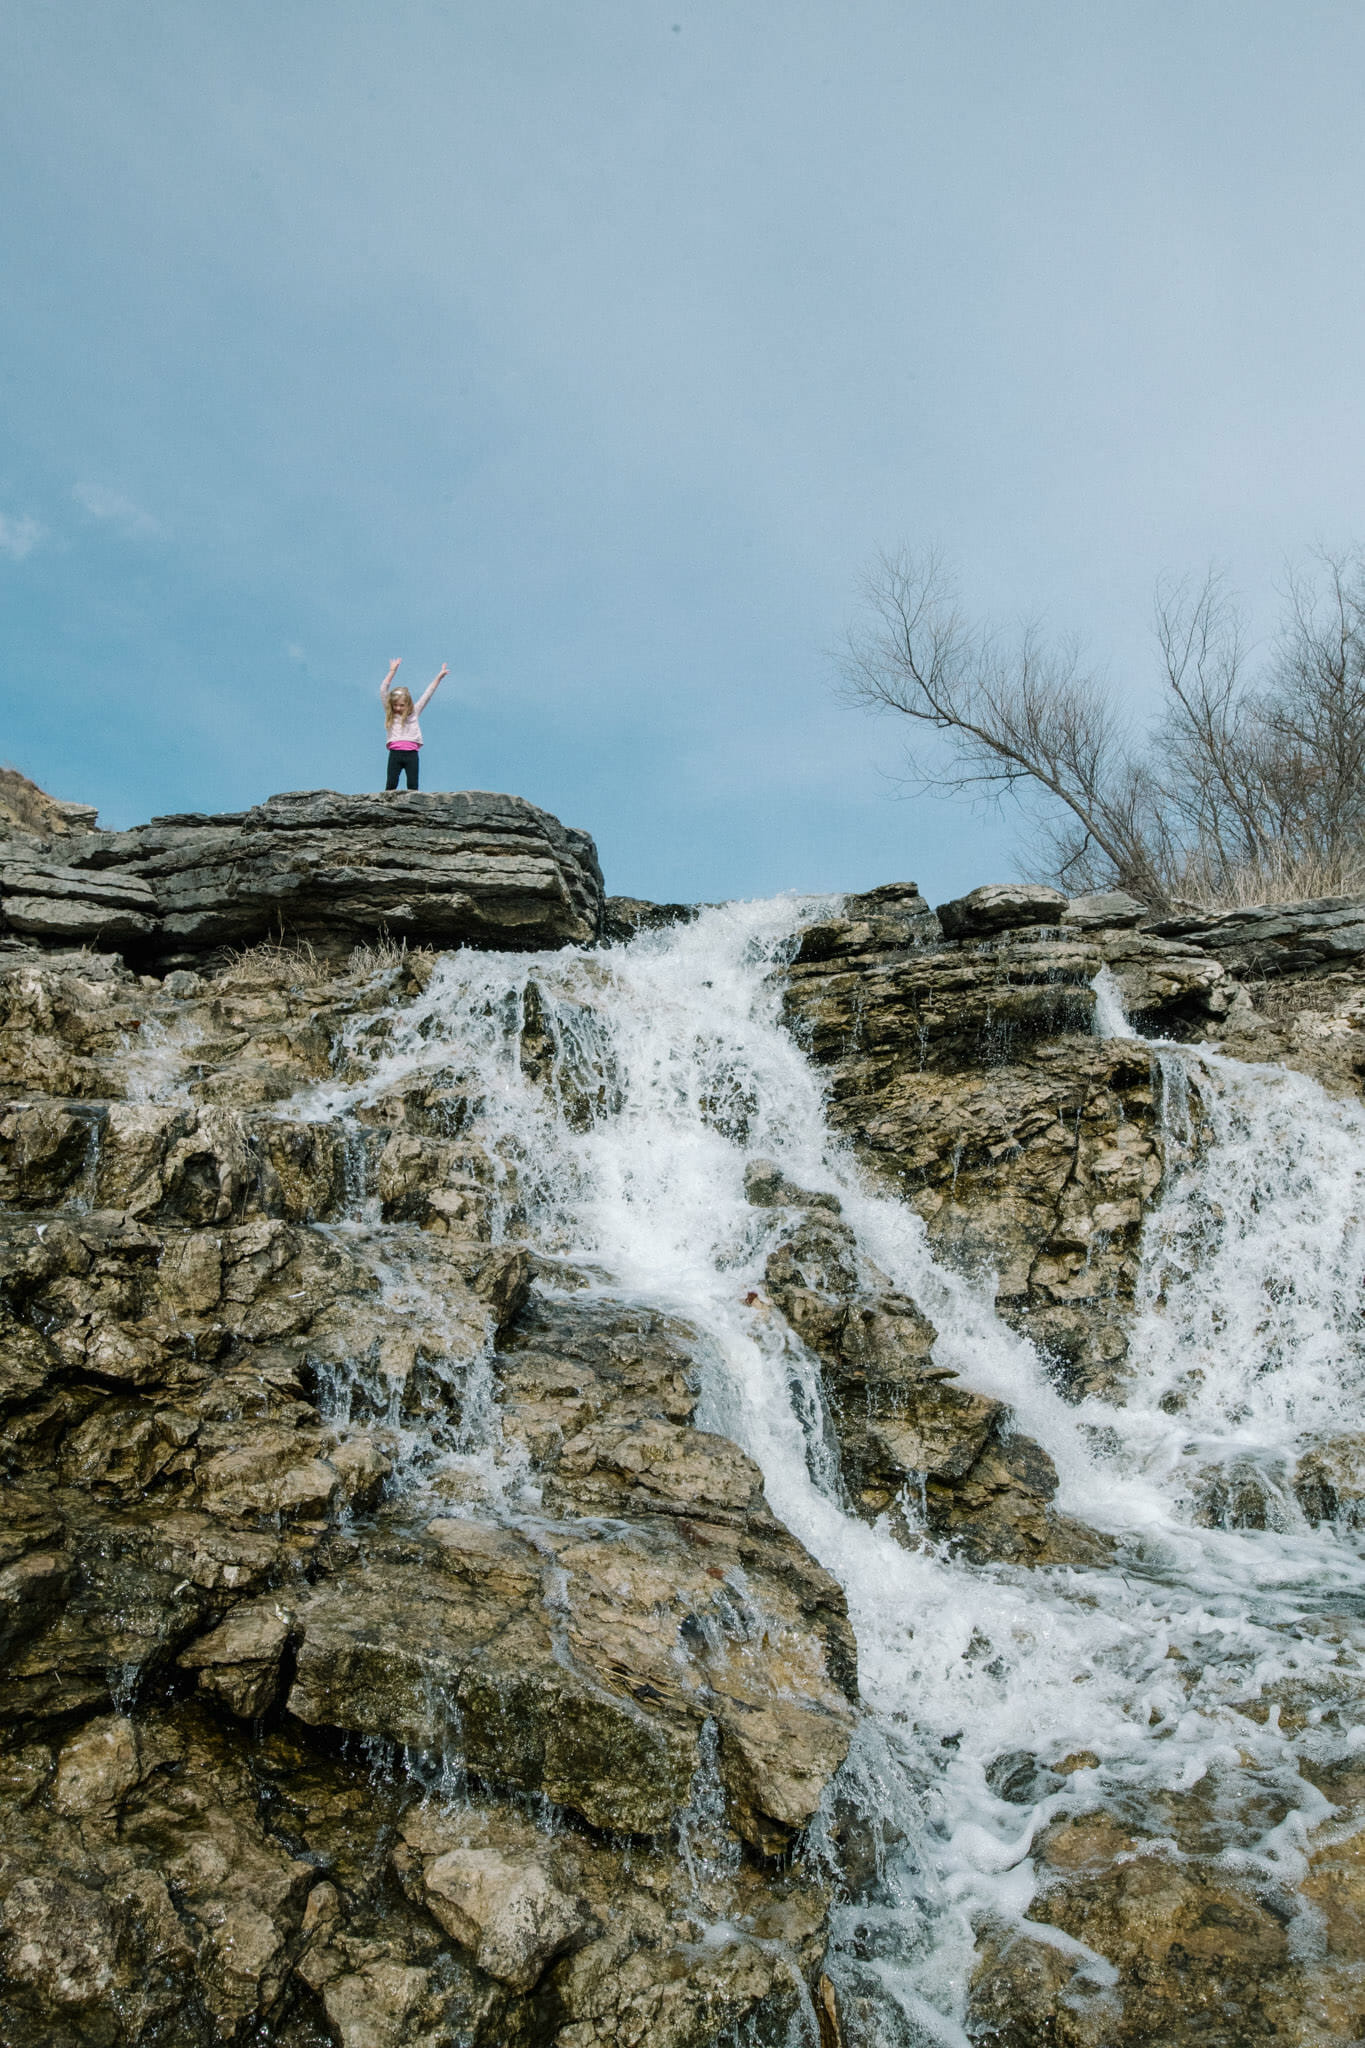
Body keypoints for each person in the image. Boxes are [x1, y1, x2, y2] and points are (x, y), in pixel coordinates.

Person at [379, 657, 448, 791]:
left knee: (413, 785)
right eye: (395, 705)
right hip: (395, 753)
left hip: (412, 754)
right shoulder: (391, 715)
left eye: (401, 705)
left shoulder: (414, 713)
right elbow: (383, 690)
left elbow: (428, 694)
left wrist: (439, 677)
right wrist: (392, 671)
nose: (398, 708)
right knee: (391, 784)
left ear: (408, 704)